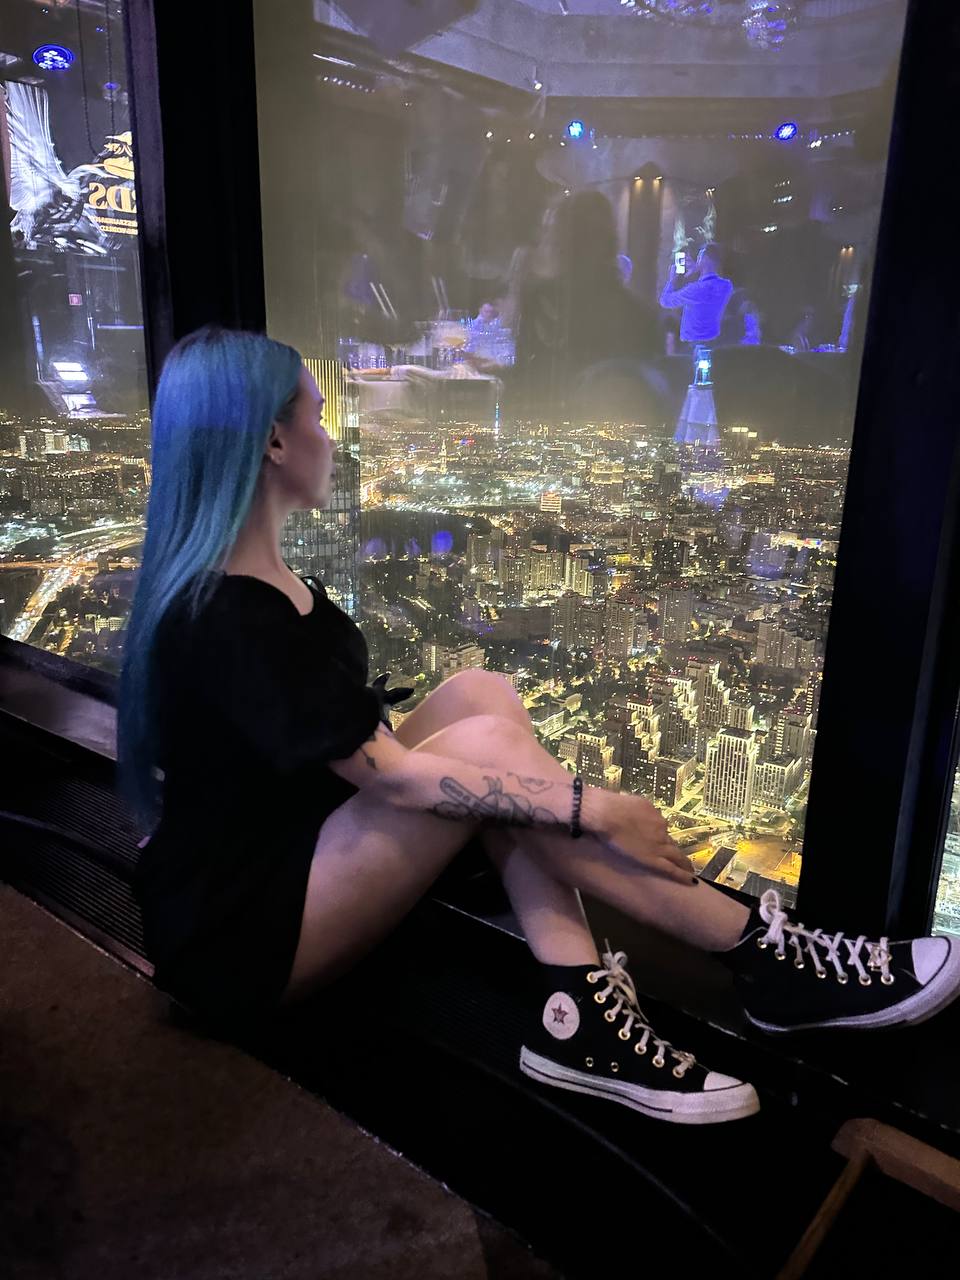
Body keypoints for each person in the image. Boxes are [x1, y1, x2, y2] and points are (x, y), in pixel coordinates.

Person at [118, 326, 960, 1128]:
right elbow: (396, 779)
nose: (331, 436)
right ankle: (759, 958)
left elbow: (338, 752)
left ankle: (578, 1005)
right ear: (274, 441)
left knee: (481, 696)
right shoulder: (227, 615)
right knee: (486, 759)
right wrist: (596, 807)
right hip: (240, 938)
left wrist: (537, 792)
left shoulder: (251, 587)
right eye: (318, 413)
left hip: (294, 857)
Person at [659, 242, 734, 348]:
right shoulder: (727, 285)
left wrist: (671, 280)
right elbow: (707, 288)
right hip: (713, 342)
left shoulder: (695, 290)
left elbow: (665, 301)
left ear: (706, 259)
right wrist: (699, 269)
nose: (697, 258)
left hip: (692, 345)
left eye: (699, 256)